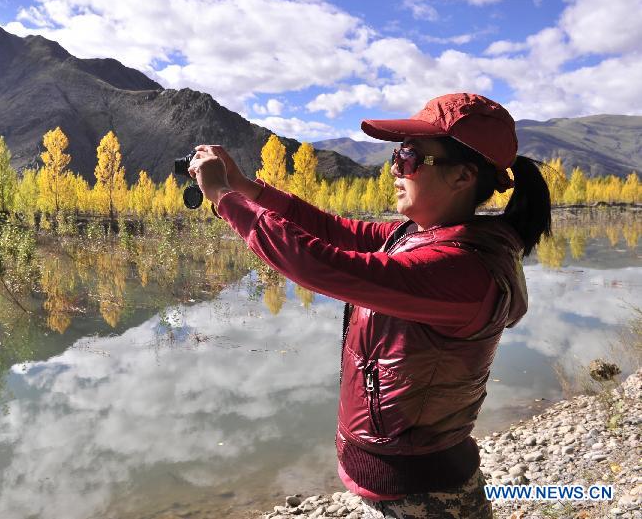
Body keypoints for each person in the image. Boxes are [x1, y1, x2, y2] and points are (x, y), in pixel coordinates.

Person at [188, 93, 552, 519]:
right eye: (396, 156)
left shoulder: (462, 269)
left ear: (462, 177)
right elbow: (333, 231)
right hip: (405, 485)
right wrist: (245, 187)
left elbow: (321, 265)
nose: (395, 169)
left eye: (410, 158)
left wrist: (221, 196)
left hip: (422, 495)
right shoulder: (422, 234)